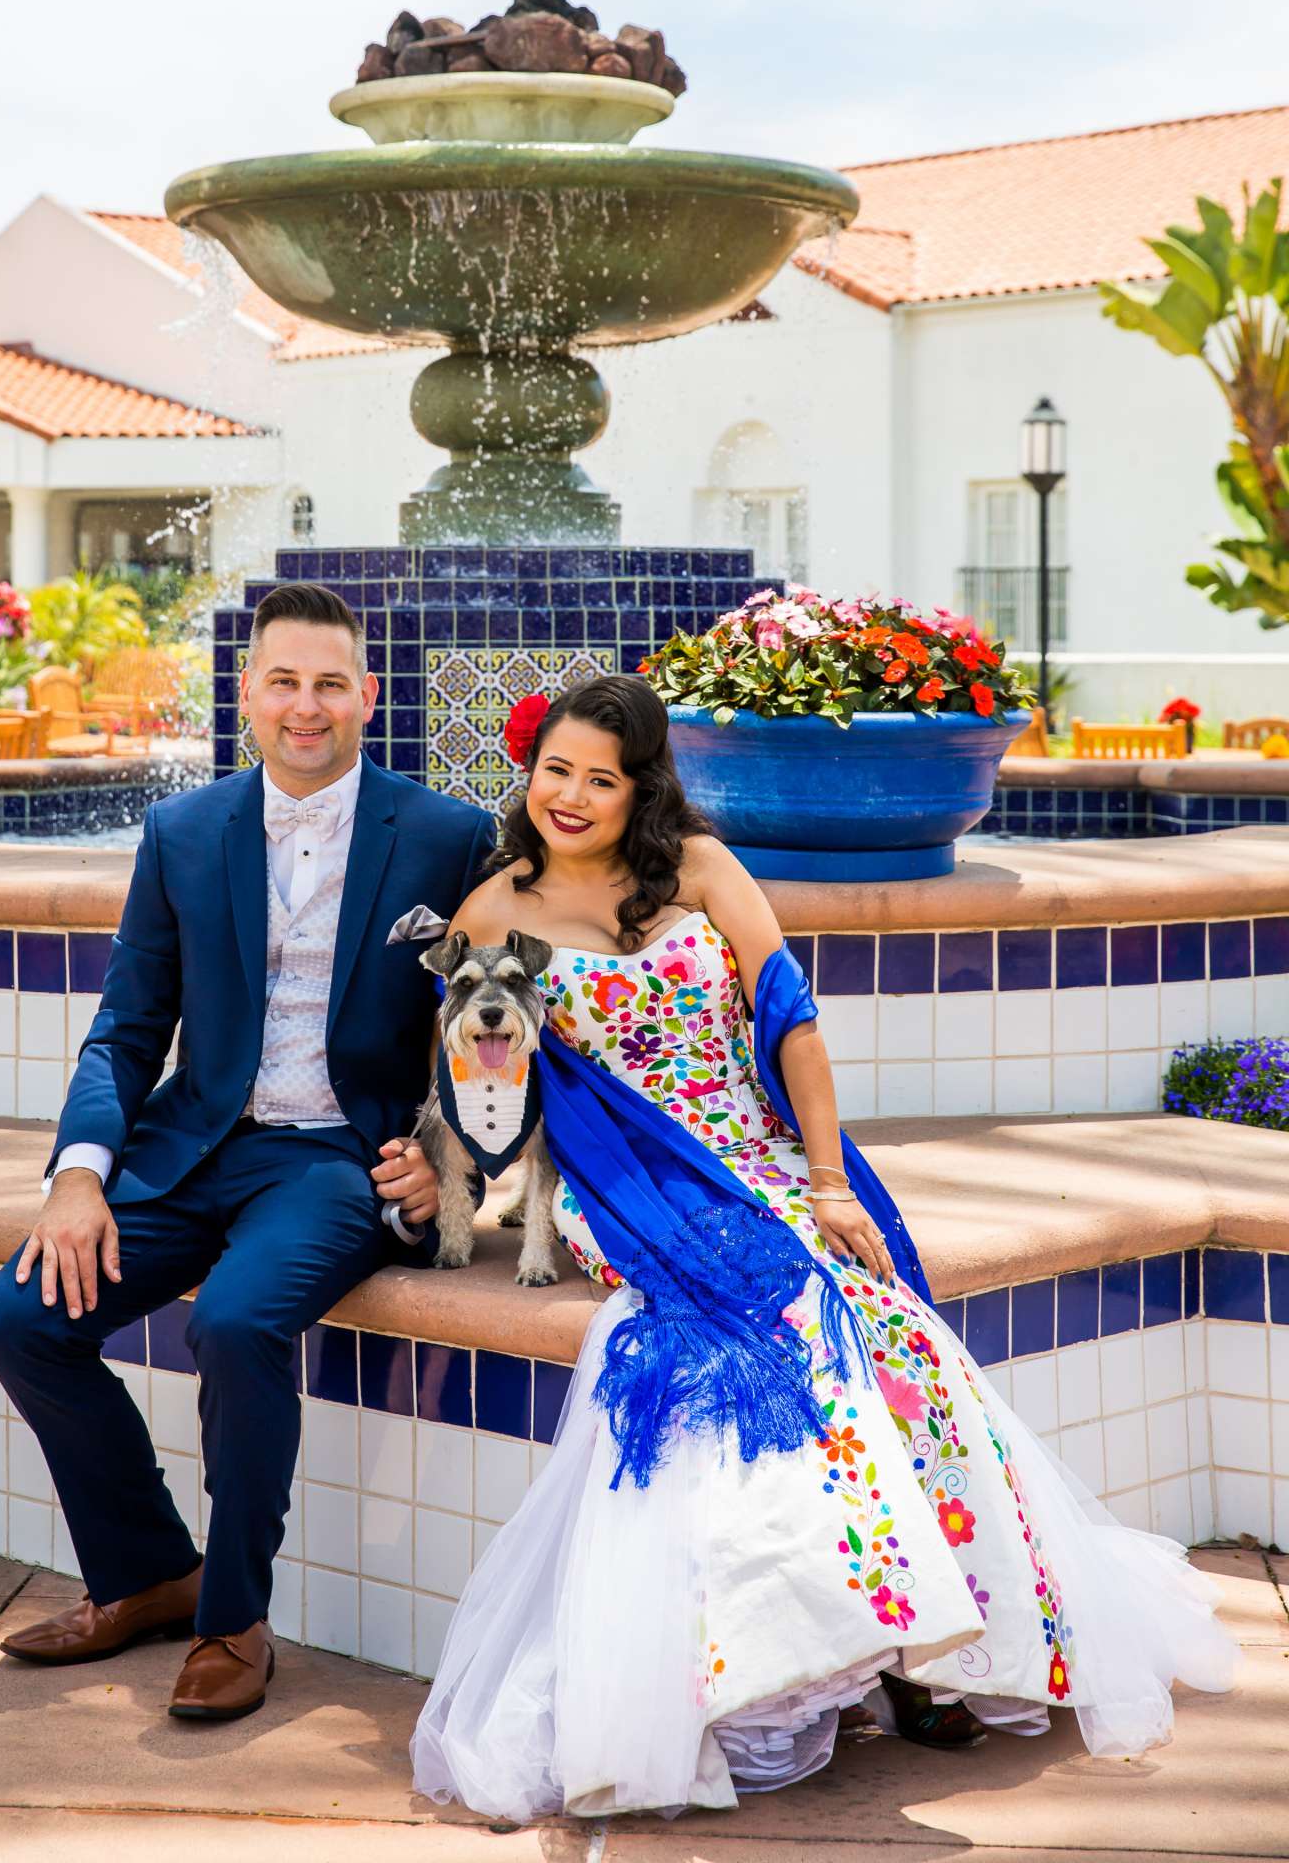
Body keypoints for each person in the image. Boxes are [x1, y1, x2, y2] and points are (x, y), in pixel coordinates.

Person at [412, 675, 1235, 1822]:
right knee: (786, 1319)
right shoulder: (491, 912)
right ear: (529, 772)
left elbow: (788, 1019)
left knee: (892, 1327)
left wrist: (830, 1178)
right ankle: (828, 1643)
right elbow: (471, 1084)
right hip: (640, 1180)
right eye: (557, 770)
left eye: (602, 777)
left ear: (641, 787)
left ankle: (936, 1644)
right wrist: (436, 1173)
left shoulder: (698, 869)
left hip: (762, 1151)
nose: (573, 795)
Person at [0, 582, 494, 1723]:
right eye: (281, 683)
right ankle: (150, 1573)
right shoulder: (183, 830)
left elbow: (489, 1023)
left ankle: (234, 1620)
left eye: (326, 684)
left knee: (238, 1321)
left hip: (331, 1161)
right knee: (19, 1322)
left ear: (367, 697)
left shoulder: (453, 836)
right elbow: (126, 1027)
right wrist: (76, 1178)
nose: (304, 707)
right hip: (191, 1144)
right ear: (246, 697)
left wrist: (447, 1154)